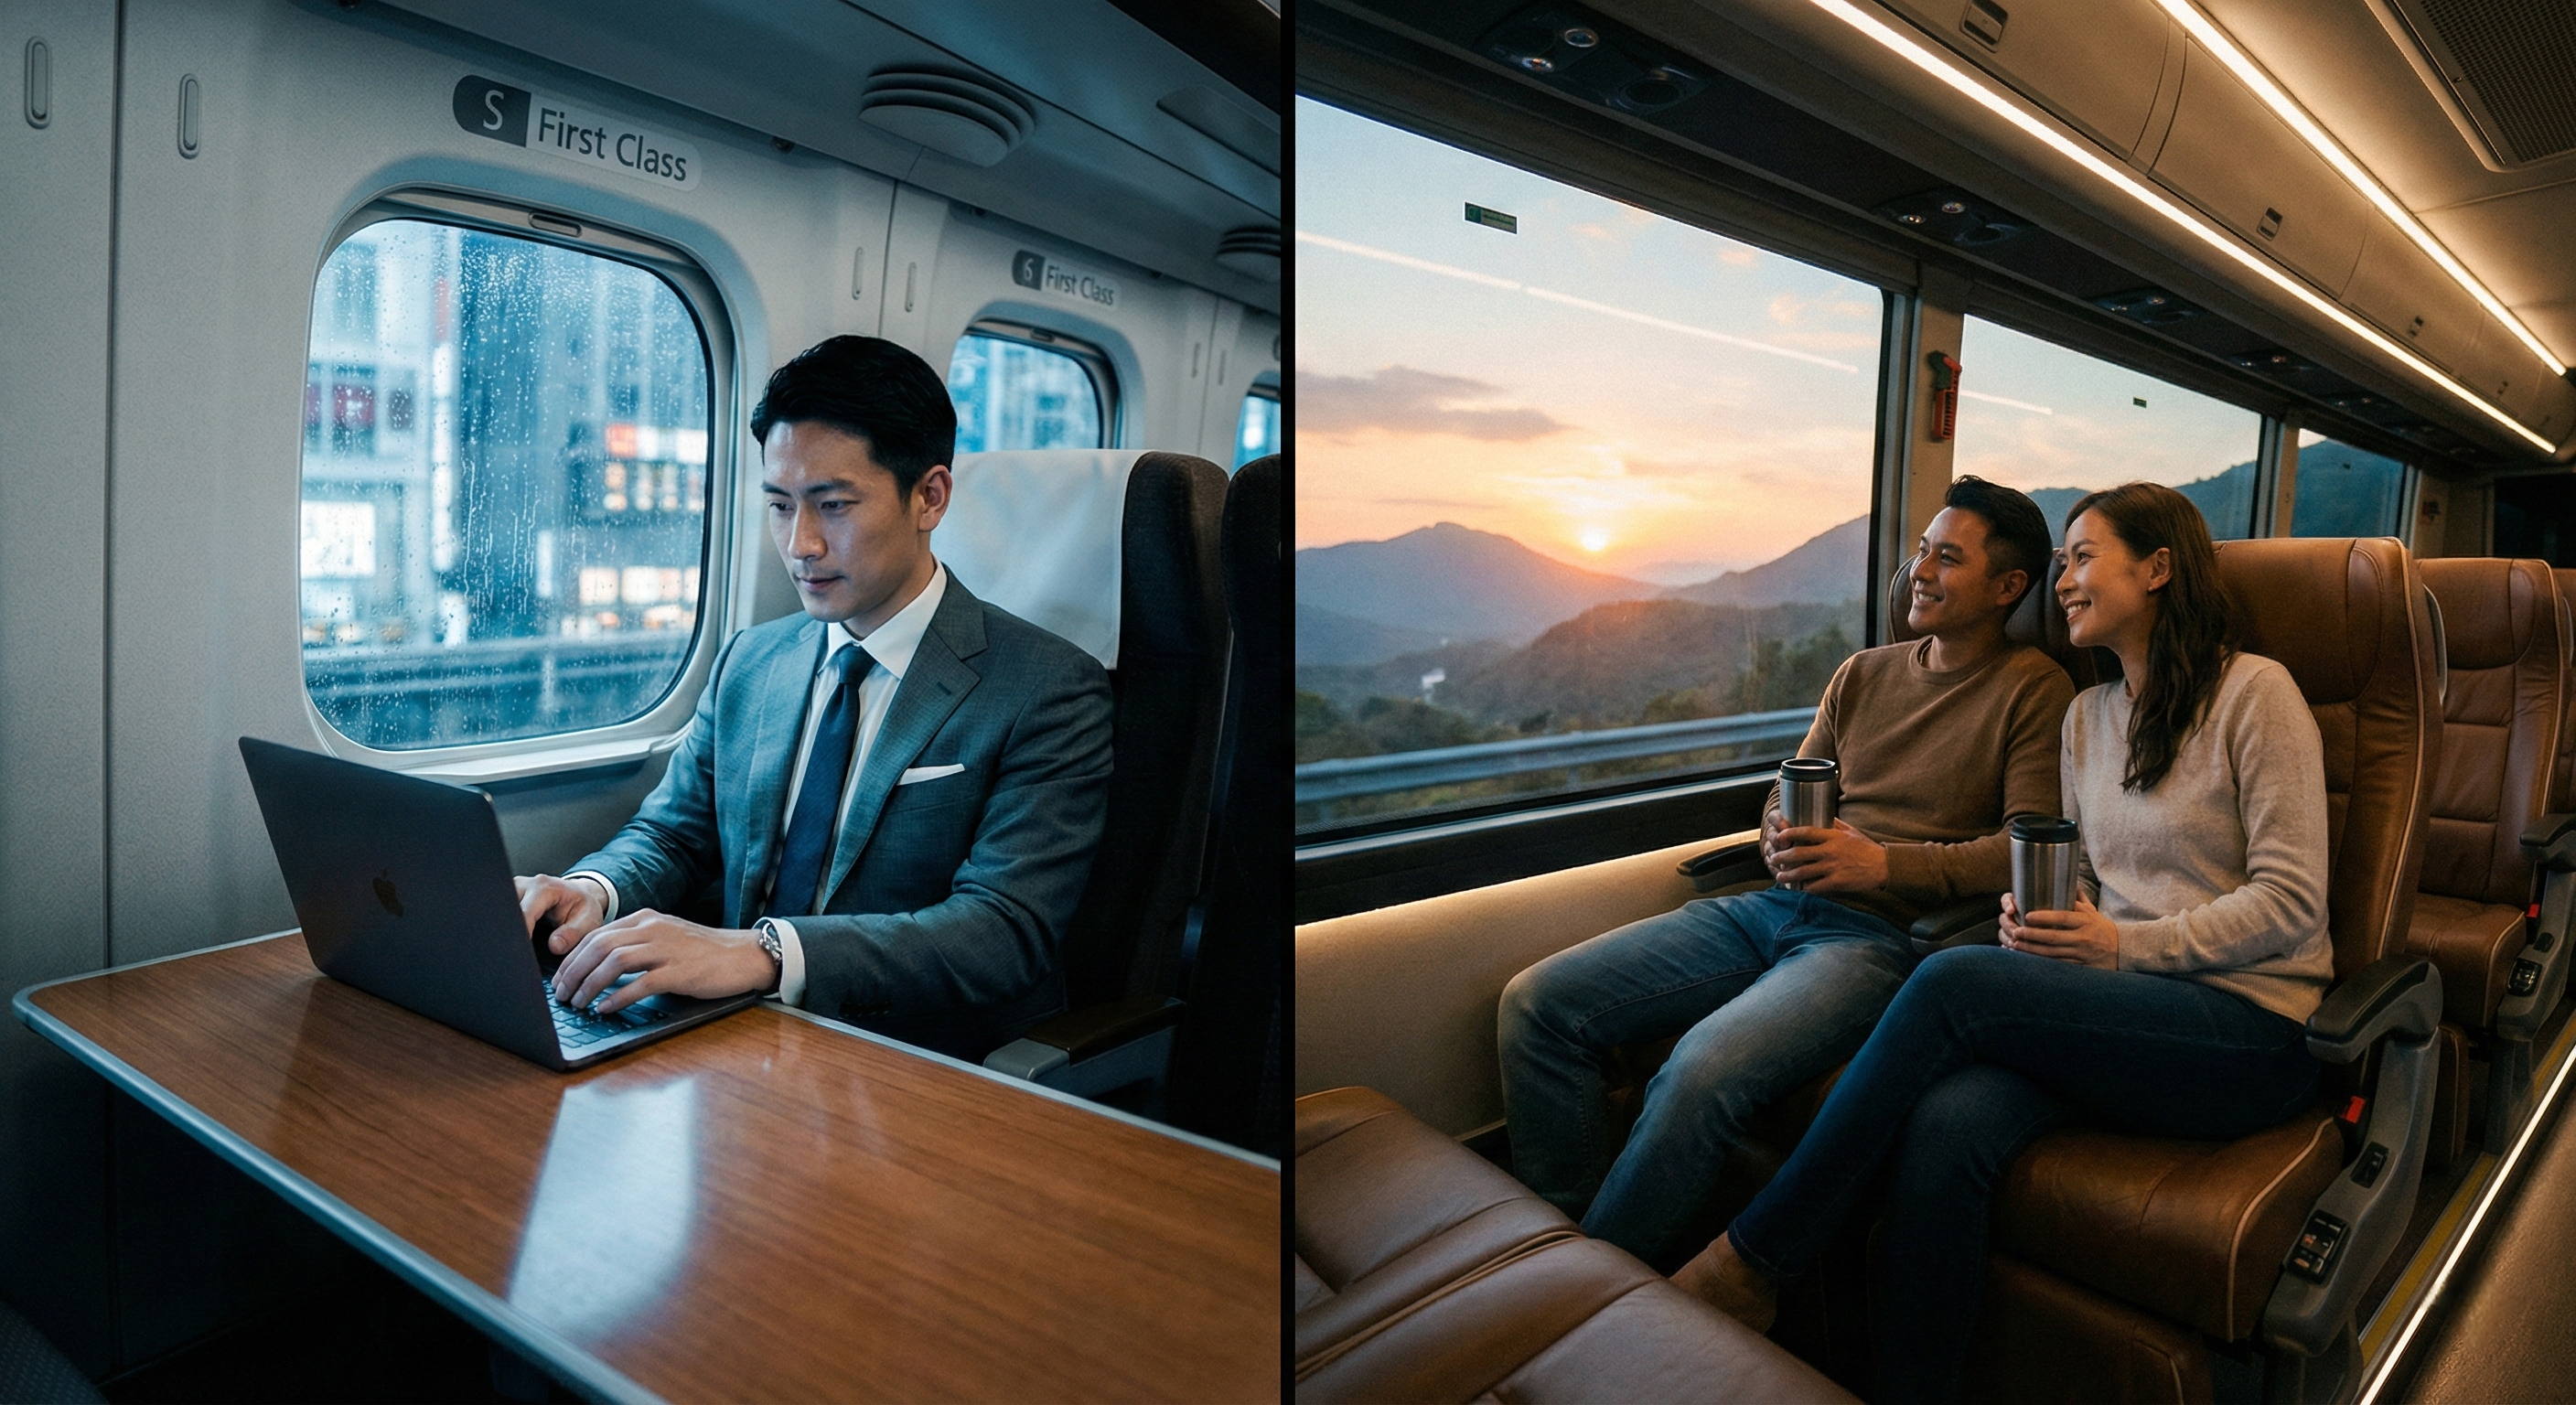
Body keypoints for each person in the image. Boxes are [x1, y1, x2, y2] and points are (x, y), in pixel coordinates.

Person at [1674, 481, 2332, 1403]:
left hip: (2246, 1026)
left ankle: (1750, 1262)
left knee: (1951, 984)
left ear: (2155, 568)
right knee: (1948, 1127)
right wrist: (2050, 928)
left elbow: (2291, 902)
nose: (2061, 582)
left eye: (2081, 558)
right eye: (2057, 565)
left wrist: (2116, 951)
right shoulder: (2085, 717)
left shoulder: (2253, 695)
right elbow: (2095, 883)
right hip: (2119, 1006)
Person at [1497, 477, 2077, 1271]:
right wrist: (1775, 832)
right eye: (1920, 551)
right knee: (1538, 1005)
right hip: (1773, 905)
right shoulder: (1863, 672)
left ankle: (1582, 1295)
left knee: (1697, 1071)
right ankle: (1559, 1240)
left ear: (2009, 586)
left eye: (1948, 558)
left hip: (1874, 940)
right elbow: (1794, 780)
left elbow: (2024, 845)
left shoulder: (2034, 689)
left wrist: (1884, 863)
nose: (1921, 573)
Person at [513, 335, 1114, 1060]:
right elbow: (674, 834)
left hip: (910, 1059)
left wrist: (766, 953)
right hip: (735, 1037)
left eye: (832, 506)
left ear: (929, 497)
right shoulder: (752, 661)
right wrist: (595, 891)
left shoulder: (1048, 688)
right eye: (779, 505)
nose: (800, 544)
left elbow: (1000, 932)